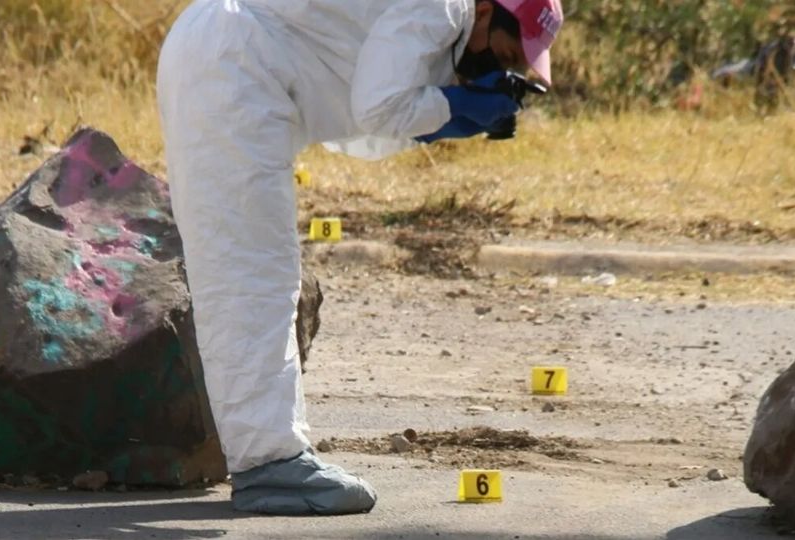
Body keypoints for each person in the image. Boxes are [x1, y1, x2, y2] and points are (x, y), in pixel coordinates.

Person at [157, 0, 563, 517]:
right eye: (505, 53)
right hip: (232, 70)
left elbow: (358, 124)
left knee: (252, 270)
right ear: (486, 10)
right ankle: (269, 463)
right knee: (251, 274)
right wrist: (451, 108)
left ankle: (267, 456)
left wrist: (447, 112)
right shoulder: (442, 6)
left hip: (233, 68)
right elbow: (377, 107)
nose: (499, 70)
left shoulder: (445, 25)